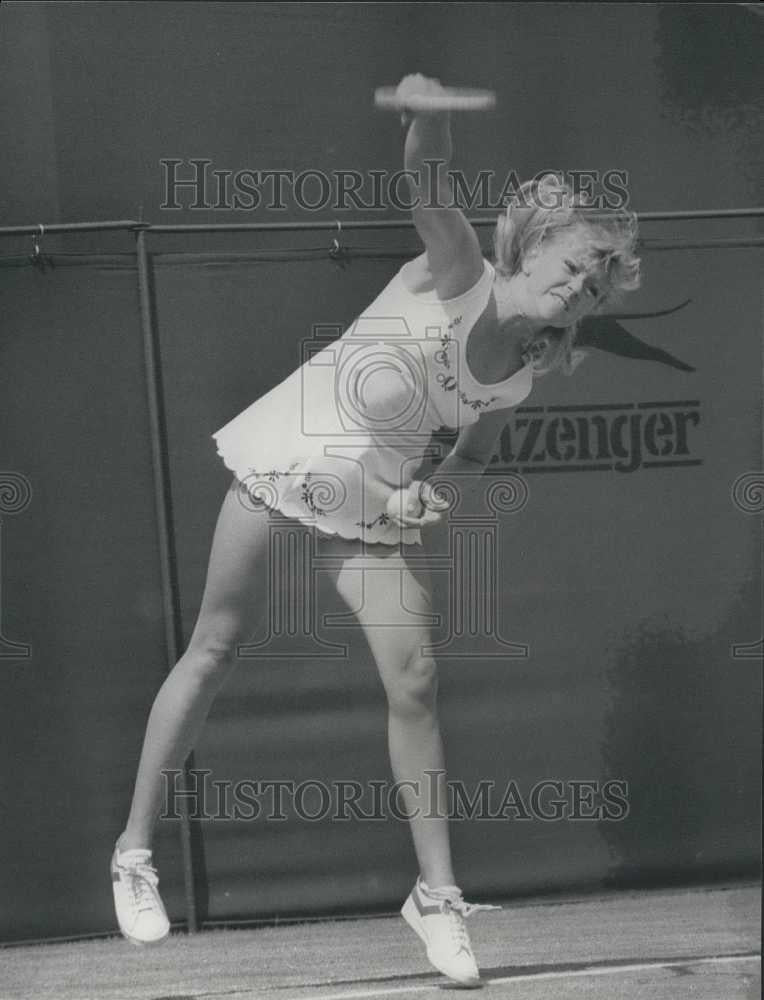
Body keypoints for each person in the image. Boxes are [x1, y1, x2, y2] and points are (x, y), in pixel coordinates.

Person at [110, 73, 641, 986]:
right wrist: (426, 118)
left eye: (598, 283)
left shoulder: (519, 370)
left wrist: (435, 492)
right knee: (215, 647)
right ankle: (133, 855)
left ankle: (438, 899)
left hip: (378, 499)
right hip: (293, 456)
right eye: (575, 262)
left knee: (417, 678)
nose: (581, 286)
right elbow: (427, 182)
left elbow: (471, 456)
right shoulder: (459, 269)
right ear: (534, 245)